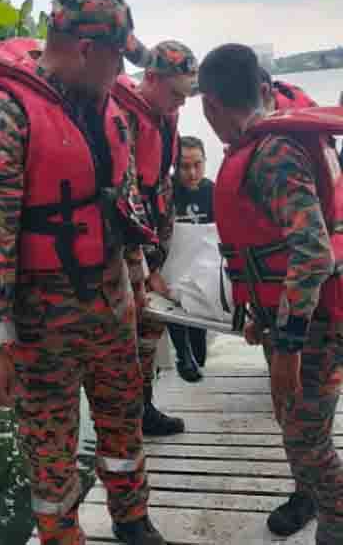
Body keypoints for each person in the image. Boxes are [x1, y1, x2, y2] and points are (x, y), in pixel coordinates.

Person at [0, 0, 167, 545]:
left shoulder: (111, 111)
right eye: (116, 58)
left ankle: (131, 518)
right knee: (50, 446)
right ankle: (60, 533)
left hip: (111, 301)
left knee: (124, 417)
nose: (119, 71)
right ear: (84, 48)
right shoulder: (0, 117)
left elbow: (124, 201)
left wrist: (139, 275)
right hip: (40, 316)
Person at [200, 43, 343, 543]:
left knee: (308, 438)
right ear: (262, 88)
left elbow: (313, 253)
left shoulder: (272, 153)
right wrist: (262, 314)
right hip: (296, 317)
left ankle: (336, 519)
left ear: (210, 106)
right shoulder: (271, 143)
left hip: (317, 323)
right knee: (295, 426)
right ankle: (314, 502)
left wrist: (288, 346)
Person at [111, 41, 198, 435]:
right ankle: (126, 419)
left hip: (157, 241)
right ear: (151, 78)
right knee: (129, 332)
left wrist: (167, 250)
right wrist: (146, 266)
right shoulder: (123, 117)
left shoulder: (164, 116)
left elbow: (161, 182)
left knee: (151, 328)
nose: (180, 104)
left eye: (186, 96)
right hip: (128, 247)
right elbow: (126, 197)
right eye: (176, 94)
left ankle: (143, 407)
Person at [167, 135, 214, 382]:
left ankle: (195, 356)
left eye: (198, 164)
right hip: (173, 265)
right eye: (185, 166)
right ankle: (182, 355)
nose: (192, 172)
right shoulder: (166, 192)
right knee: (176, 313)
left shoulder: (212, 191)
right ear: (175, 166)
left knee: (200, 340)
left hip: (202, 266)